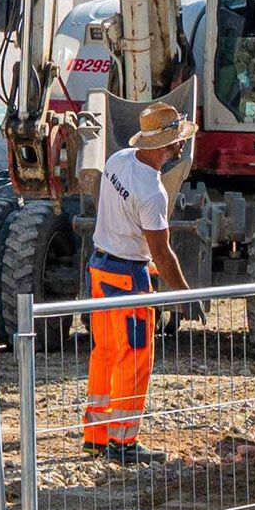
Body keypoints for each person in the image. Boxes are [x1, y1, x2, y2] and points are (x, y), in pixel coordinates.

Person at [81, 101, 190, 460]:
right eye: (176, 140)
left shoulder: (119, 160)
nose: (180, 145)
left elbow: (122, 224)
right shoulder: (152, 192)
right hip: (128, 278)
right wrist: (185, 294)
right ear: (164, 145)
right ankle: (124, 442)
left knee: (106, 352)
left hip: (100, 268)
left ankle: (96, 434)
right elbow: (162, 253)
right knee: (136, 356)